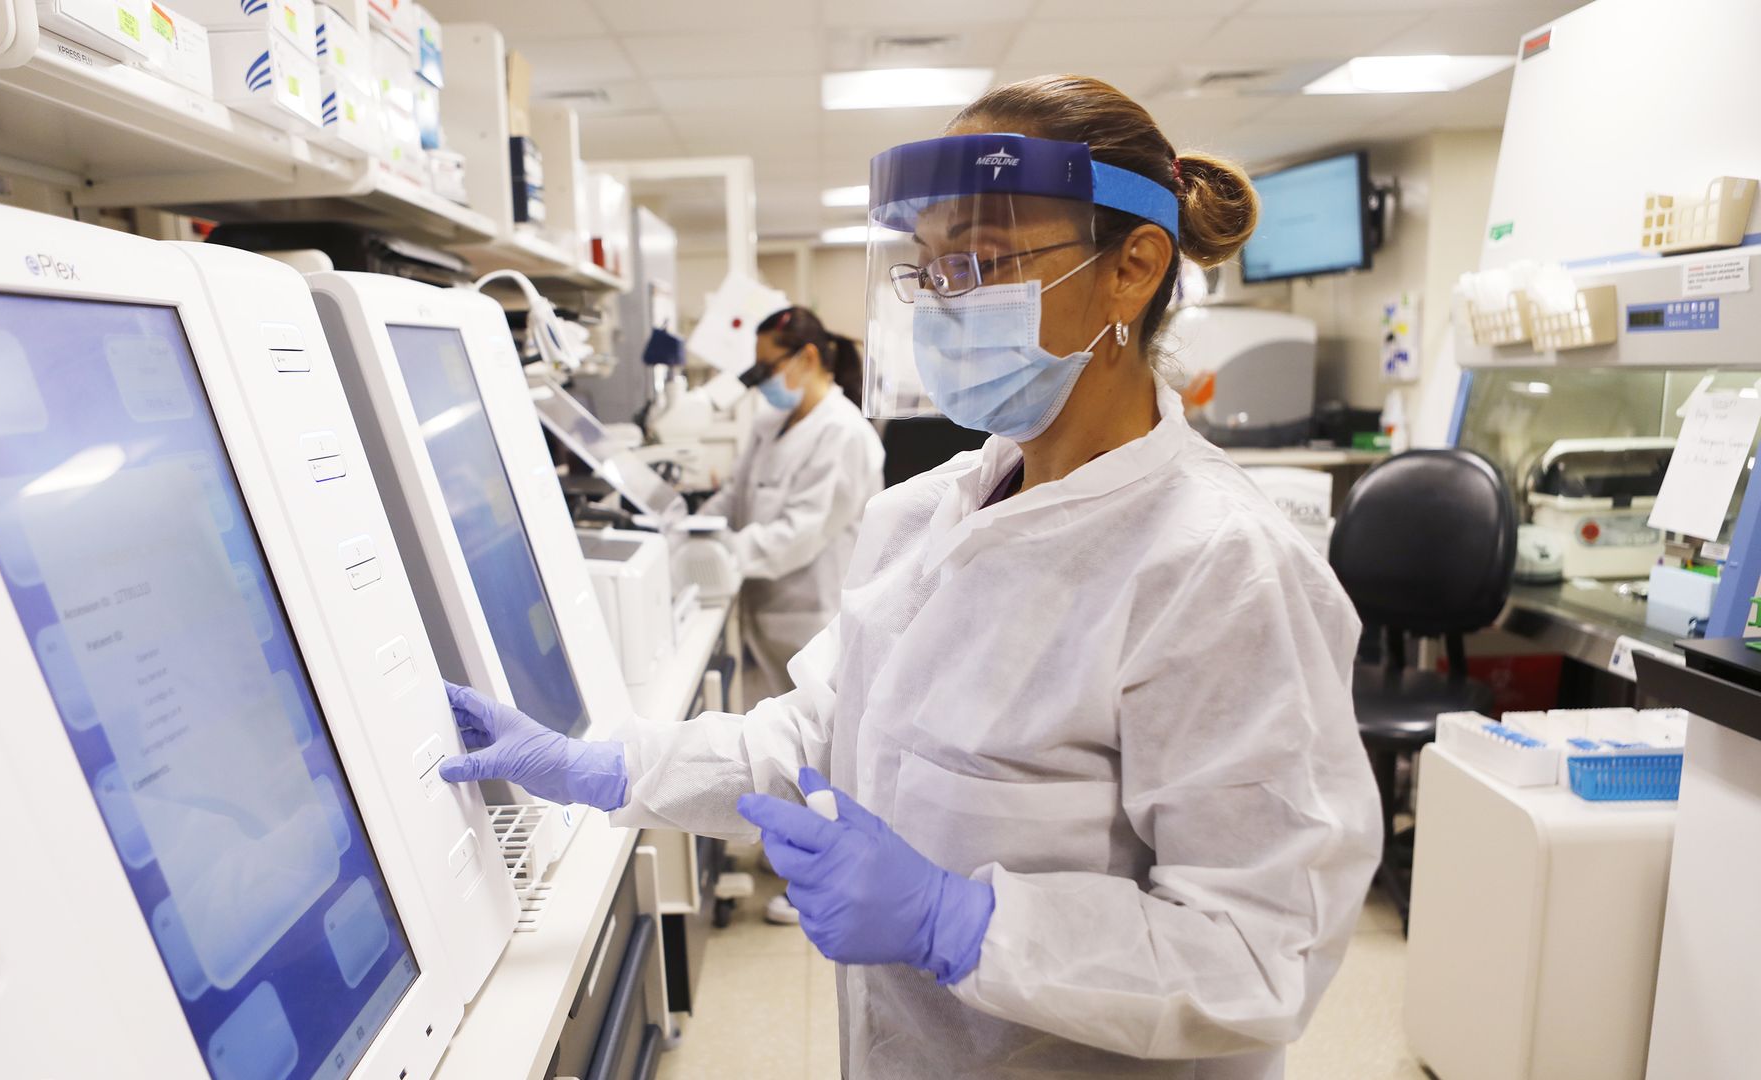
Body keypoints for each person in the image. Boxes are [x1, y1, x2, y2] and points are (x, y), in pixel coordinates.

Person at [440, 74, 1381, 1079]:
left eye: (982, 260)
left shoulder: (1218, 568)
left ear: (1132, 269)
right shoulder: (925, 515)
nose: (945, 302)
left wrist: (963, 922)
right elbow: (816, 734)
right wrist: (611, 768)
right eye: (930, 267)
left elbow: (1258, 951)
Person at [709, 306, 885, 706]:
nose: (763, 382)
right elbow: (734, 496)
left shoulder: (844, 433)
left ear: (807, 357)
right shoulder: (769, 424)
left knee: (815, 742)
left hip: (812, 622)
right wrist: (689, 531)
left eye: (767, 368)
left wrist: (720, 554)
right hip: (764, 616)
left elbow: (802, 533)